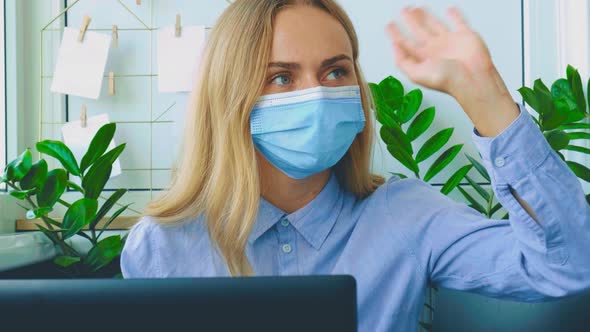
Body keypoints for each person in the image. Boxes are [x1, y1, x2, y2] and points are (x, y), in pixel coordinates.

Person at [121, 0, 590, 330]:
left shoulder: (406, 215)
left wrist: (487, 97)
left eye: (335, 71)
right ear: (230, 94)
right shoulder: (164, 245)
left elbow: (568, 265)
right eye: (281, 77)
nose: (318, 93)